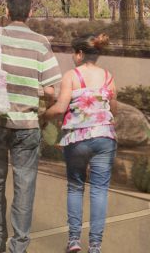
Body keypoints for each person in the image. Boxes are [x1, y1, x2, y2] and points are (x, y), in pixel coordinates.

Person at [0, 0, 62, 253]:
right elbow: (51, 91)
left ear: (7, 11)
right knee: (24, 187)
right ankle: (19, 246)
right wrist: (42, 110)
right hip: (27, 126)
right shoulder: (41, 43)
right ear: (30, 13)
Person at [45, 34, 117, 253]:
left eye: (73, 53)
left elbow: (60, 108)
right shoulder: (108, 77)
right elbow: (113, 108)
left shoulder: (72, 76)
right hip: (104, 138)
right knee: (99, 190)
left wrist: (43, 116)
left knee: (76, 187)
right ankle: (95, 245)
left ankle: (74, 240)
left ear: (79, 54)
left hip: (77, 139)